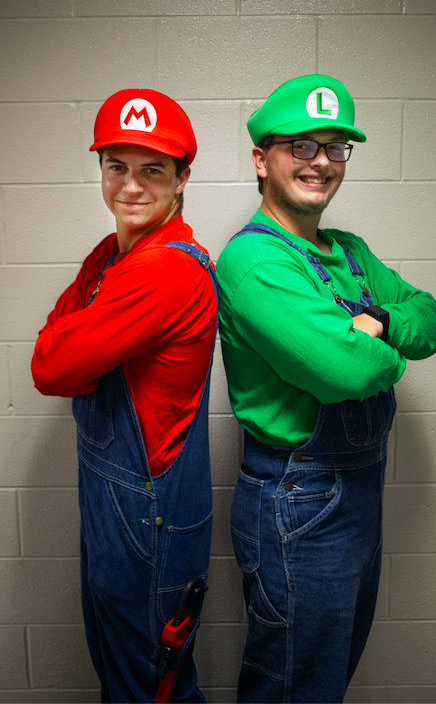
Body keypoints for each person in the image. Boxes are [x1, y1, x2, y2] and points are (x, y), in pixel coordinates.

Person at [216, 74, 436, 704]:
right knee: (293, 684)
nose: (321, 162)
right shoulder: (254, 262)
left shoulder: (348, 249)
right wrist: (378, 351)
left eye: (335, 147)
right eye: (301, 146)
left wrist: (380, 324)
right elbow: (346, 372)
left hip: (356, 492)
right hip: (301, 501)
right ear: (262, 160)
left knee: (327, 675)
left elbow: (430, 318)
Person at [31, 89, 218, 703]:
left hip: (146, 516)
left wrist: (77, 346)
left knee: (150, 689)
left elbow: (51, 366)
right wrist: (76, 336)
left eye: (152, 170)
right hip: (119, 508)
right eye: (117, 167)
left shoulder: (163, 269)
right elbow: (62, 329)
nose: (131, 187)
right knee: (123, 679)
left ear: (182, 178)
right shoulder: (115, 253)